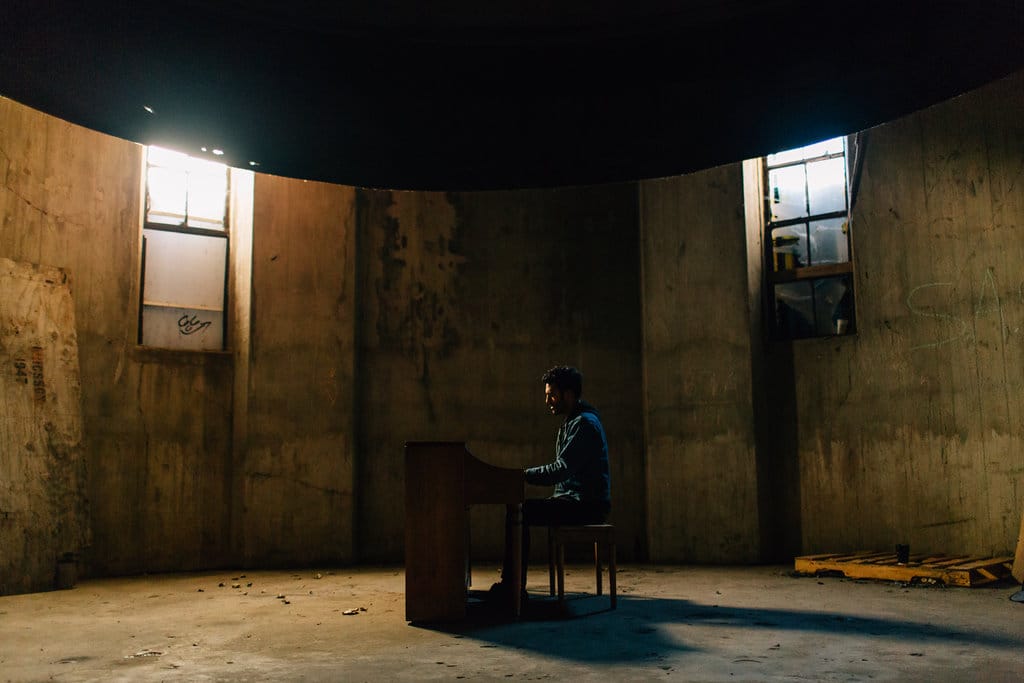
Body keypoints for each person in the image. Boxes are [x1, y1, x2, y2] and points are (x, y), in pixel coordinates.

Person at [491, 365, 611, 601]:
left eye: (552, 395)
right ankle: (512, 585)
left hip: (588, 505)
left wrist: (523, 475)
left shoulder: (585, 424)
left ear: (568, 394)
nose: (548, 401)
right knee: (522, 510)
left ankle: (512, 587)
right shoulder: (571, 422)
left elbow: (560, 469)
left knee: (521, 512)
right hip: (573, 500)